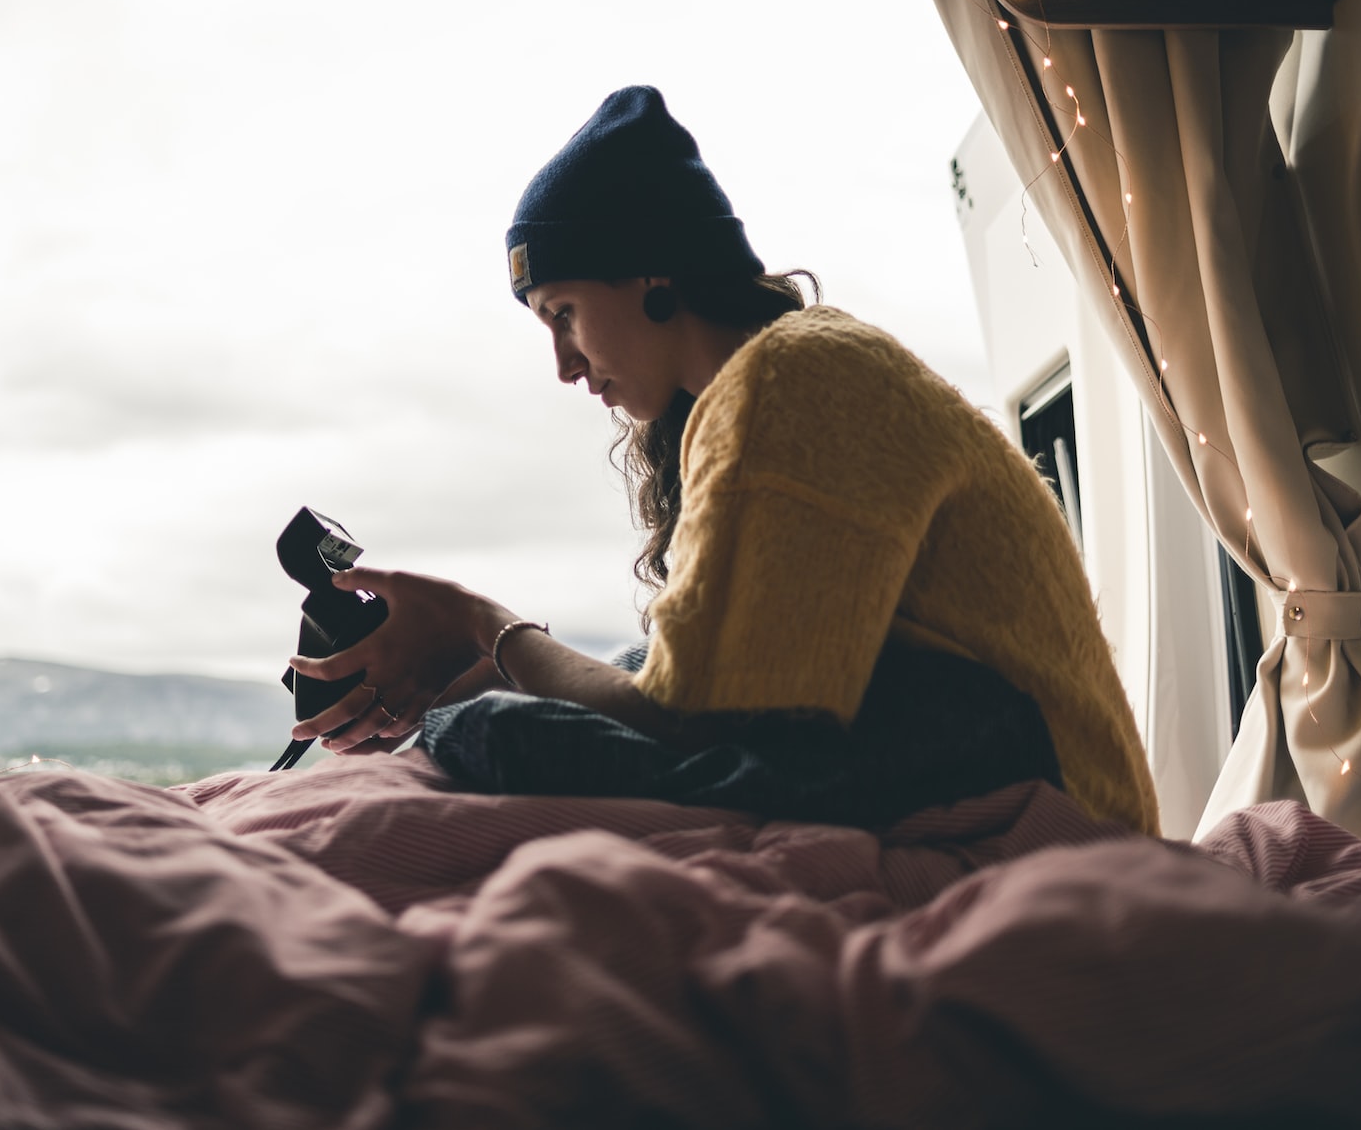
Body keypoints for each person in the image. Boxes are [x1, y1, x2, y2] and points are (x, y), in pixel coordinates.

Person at [290, 86, 1159, 833]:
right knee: (507, 705)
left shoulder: (794, 378)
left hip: (1052, 795)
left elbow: (685, 714)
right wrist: (460, 665)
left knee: (501, 732)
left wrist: (479, 622)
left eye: (564, 313)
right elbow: (704, 679)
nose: (562, 364)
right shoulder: (784, 376)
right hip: (1001, 756)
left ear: (649, 274)